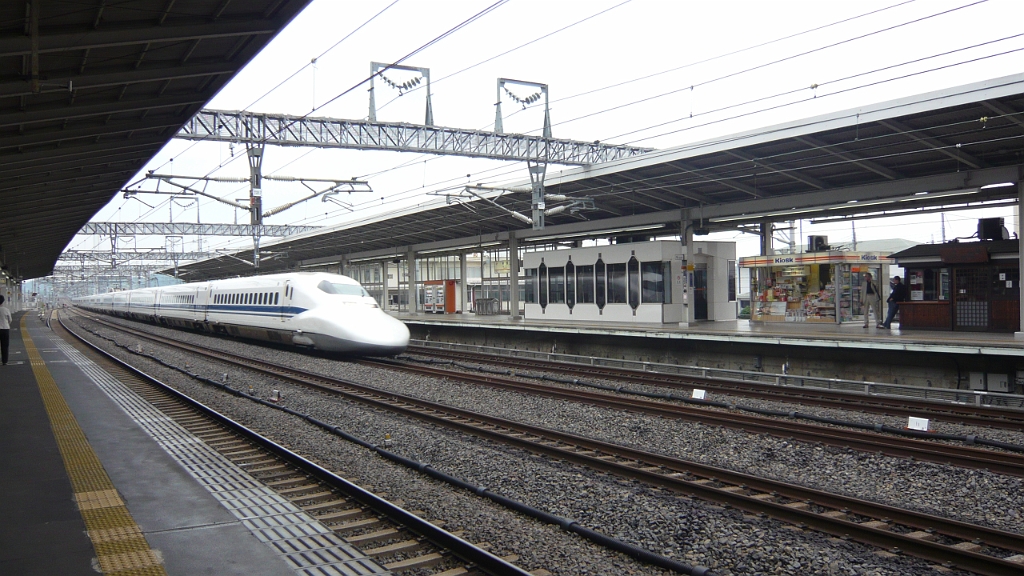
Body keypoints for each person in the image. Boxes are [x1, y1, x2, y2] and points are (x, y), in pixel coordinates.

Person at [0, 294, 11, 365]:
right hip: (5, 329)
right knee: (5, 346)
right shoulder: (6, 310)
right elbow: (10, 320)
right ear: (3, 301)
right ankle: (5, 361)